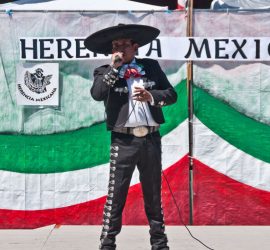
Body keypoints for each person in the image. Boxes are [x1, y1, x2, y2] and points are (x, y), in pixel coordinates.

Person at [84, 24, 177, 250]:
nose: (118, 49)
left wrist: (151, 96)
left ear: (135, 47)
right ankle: (107, 243)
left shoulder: (151, 67)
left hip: (151, 139)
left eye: (123, 44)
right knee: (116, 195)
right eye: (115, 46)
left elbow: (171, 95)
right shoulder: (104, 71)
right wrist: (114, 69)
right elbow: (97, 94)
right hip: (123, 141)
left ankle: (159, 243)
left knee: (153, 194)